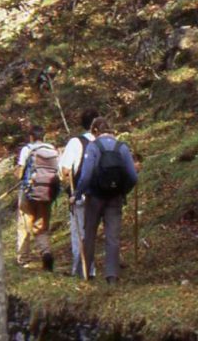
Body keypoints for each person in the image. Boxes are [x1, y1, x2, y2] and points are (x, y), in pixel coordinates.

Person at [75, 117, 139, 284]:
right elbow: (133, 177)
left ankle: (84, 273)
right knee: (112, 237)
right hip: (115, 198)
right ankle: (112, 276)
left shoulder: (93, 146)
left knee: (89, 234)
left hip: (94, 197)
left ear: (95, 131)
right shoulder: (122, 147)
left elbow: (86, 175)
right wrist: (123, 191)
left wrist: (77, 194)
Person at [59, 109, 98, 278]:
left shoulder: (76, 142)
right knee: (92, 232)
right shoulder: (105, 141)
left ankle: (81, 269)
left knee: (79, 232)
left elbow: (65, 170)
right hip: (103, 195)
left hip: (81, 194)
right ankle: (93, 269)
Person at [15, 125, 58, 271]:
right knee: (42, 228)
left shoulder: (27, 149)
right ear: (44, 137)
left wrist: (18, 173)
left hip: (28, 193)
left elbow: (19, 174)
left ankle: (24, 259)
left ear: (31, 137)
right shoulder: (52, 150)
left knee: (24, 226)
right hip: (46, 193)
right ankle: (46, 252)